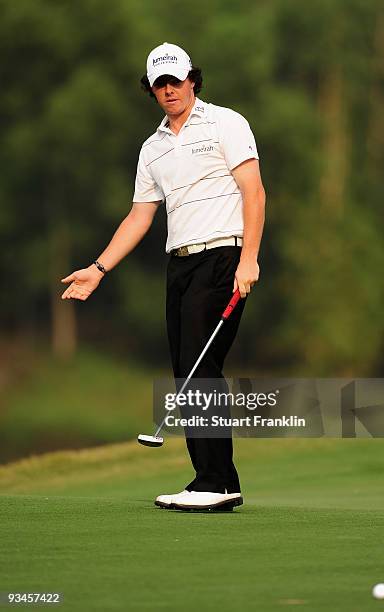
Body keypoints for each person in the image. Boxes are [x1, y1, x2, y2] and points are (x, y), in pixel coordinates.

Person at [61, 42, 266, 512]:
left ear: (193, 78)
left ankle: (216, 481)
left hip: (222, 257)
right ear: (151, 90)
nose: (169, 89)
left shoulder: (225, 123)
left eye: (176, 80)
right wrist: (98, 269)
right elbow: (139, 216)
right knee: (185, 370)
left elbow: (253, 192)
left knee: (199, 364)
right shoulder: (152, 148)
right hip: (180, 264)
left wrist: (248, 259)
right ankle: (213, 479)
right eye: (160, 84)